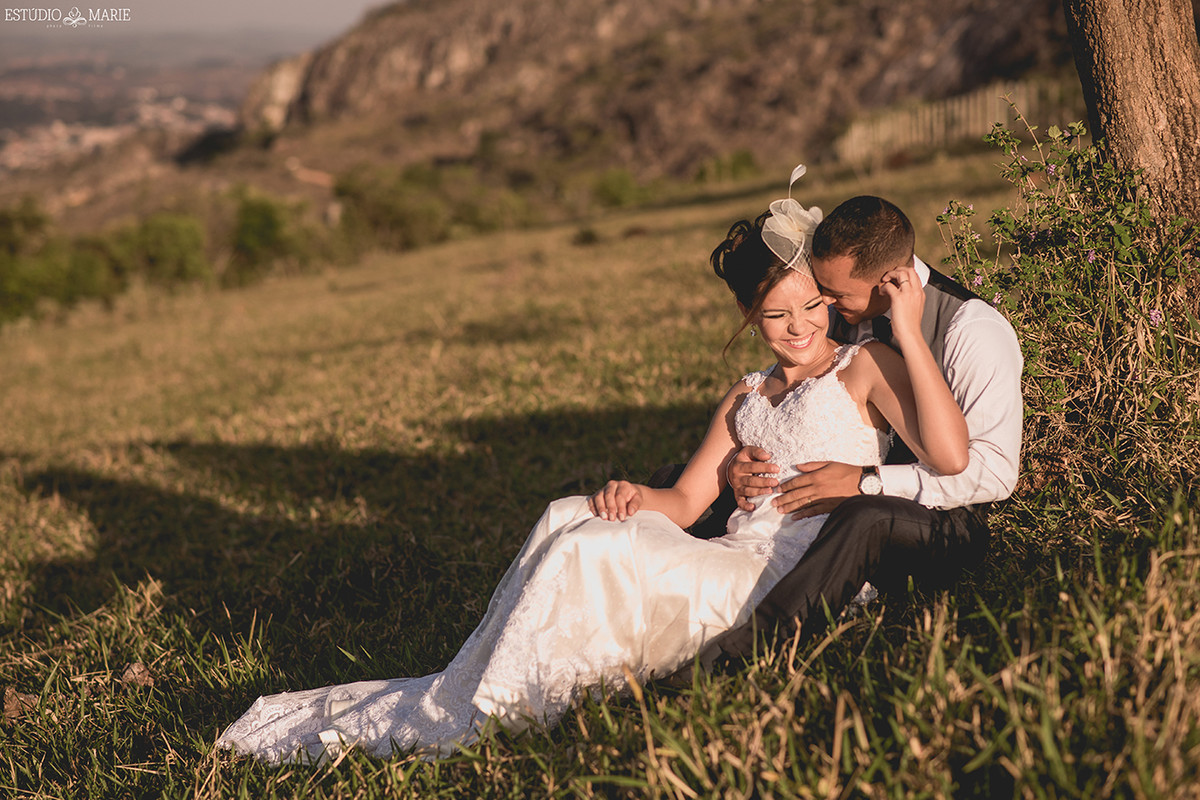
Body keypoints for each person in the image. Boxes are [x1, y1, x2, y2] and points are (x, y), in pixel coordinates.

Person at [215, 169, 969, 764]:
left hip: (791, 572)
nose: (800, 327)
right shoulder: (744, 398)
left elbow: (949, 453)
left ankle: (509, 706)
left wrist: (904, 327)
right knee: (569, 515)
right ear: (751, 320)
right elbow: (679, 502)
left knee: (591, 549)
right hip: (730, 552)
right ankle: (485, 683)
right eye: (777, 316)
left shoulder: (864, 365)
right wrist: (630, 493)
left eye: (812, 308)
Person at [724, 194, 1023, 646]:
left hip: (941, 519)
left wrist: (867, 482)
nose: (822, 301)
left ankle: (752, 645)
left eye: (835, 294)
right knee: (683, 480)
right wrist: (737, 469)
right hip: (825, 506)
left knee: (865, 516)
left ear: (887, 282)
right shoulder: (848, 314)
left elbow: (993, 476)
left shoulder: (972, 330)